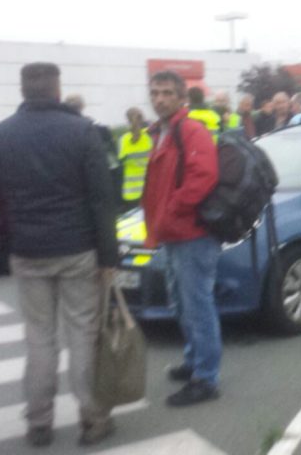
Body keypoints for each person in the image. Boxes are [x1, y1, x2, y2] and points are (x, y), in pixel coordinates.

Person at [0, 63, 118, 447]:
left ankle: (39, 421)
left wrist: (7, 244)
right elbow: (101, 200)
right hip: (77, 250)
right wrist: (109, 256)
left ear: (23, 90)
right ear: (57, 91)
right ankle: (93, 418)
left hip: (27, 251)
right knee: (83, 336)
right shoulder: (82, 132)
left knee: (39, 338)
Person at [142, 70, 222, 407]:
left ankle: (206, 378)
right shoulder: (163, 132)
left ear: (180, 98)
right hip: (172, 234)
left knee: (198, 306)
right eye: (155, 92)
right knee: (181, 304)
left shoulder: (190, 130)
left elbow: (203, 178)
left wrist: (170, 212)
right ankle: (194, 361)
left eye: (166, 93)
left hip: (192, 234)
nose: (159, 98)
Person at [65, 94, 123, 207]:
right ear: (83, 106)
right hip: (98, 188)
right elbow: (113, 164)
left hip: (74, 195)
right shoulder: (97, 129)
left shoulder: (63, 132)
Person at [117, 107, 152, 212]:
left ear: (127, 120)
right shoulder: (150, 137)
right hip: (150, 189)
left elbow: (120, 164)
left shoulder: (124, 139)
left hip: (130, 193)